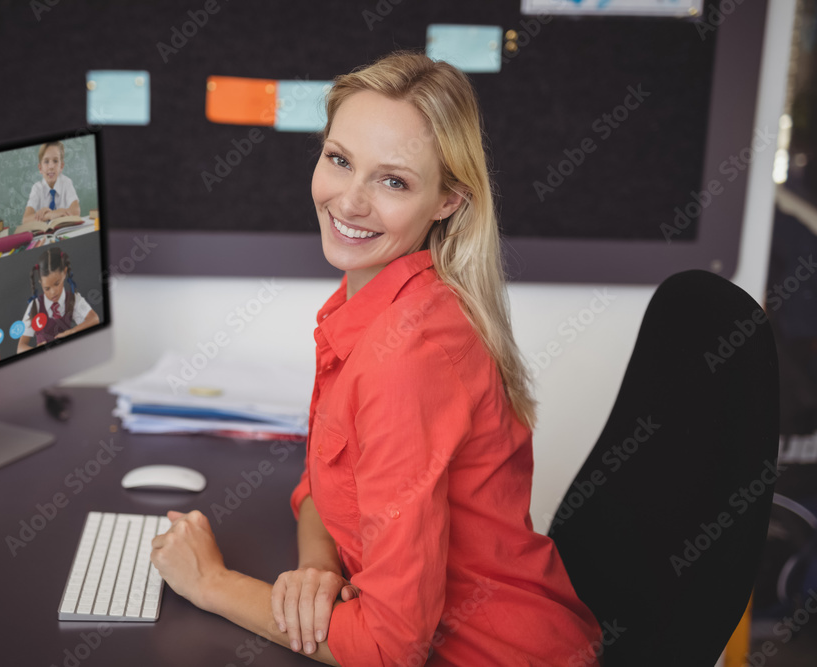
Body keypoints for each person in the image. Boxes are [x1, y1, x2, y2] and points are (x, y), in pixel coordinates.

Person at [149, 52, 602, 666]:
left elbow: (389, 649)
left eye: (393, 181)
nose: (349, 201)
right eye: (339, 160)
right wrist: (317, 570)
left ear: (447, 200)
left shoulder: (405, 357)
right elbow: (322, 483)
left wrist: (212, 584)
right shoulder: (368, 301)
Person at [16, 246, 99, 352]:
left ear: (64, 273)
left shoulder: (73, 299)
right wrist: (36, 351)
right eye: (47, 288)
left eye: (57, 283)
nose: (53, 292)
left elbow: (94, 319)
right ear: (40, 283)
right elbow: (20, 348)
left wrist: (72, 332)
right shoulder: (35, 305)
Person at [22, 141, 81, 224]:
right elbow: (25, 220)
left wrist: (55, 213)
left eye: (55, 161)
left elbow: (76, 211)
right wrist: (50, 215)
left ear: (61, 166)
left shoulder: (66, 183)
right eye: (46, 161)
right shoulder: (37, 188)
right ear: (40, 168)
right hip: (43, 235)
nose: (51, 166)